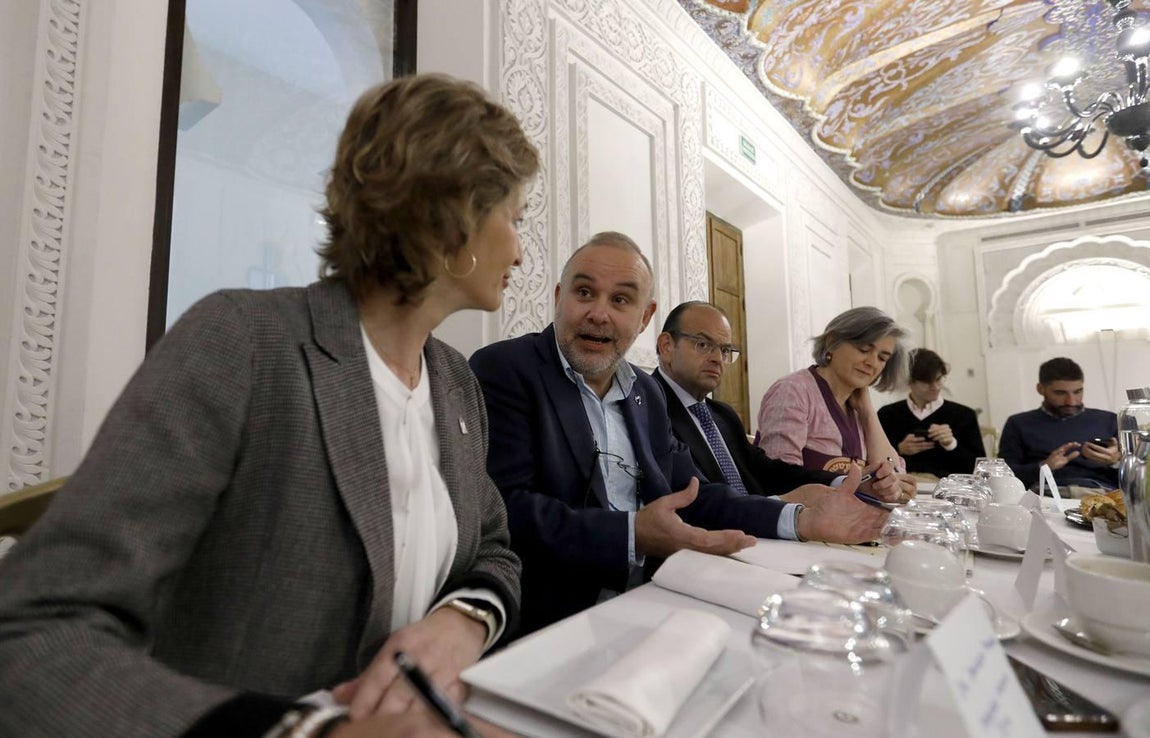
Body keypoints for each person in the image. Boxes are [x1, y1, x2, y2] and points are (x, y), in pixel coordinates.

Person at [0, 74, 536, 738]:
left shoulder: (455, 383)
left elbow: (495, 551)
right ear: (451, 216)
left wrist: (460, 622)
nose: (519, 247)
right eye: (513, 217)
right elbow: (29, 631)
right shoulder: (240, 344)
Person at [469, 233, 889, 635]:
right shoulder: (507, 369)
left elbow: (695, 492)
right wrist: (633, 534)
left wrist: (800, 519)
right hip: (558, 616)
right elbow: (506, 511)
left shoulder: (644, 391)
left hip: (663, 594)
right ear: (559, 298)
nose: (599, 313)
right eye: (584, 293)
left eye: (620, 300)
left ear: (645, 317)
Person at [653, 301, 907, 505]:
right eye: (703, 344)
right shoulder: (648, 409)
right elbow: (700, 498)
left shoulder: (721, 415)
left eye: (725, 350)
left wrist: (847, 482)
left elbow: (770, 471)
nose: (718, 358)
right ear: (666, 346)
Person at [756, 306, 906, 475]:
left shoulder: (859, 407)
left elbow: (894, 475)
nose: (872, 362)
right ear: (832, 342)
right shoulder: (793, 391)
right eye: (864, 349)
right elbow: (779, 477)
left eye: (882, 358)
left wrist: (868, 414)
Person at [999, 357, 1120, 494]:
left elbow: (1139, 474)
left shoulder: (1110, 420)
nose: (1071, 402)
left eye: (1078, 392)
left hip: (1102, 494)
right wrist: (1043, 467)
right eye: (1060, 393)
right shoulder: (1018, 424)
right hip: (1044, 494)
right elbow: (1004, 475)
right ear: (1040, 389)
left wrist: (1115, 462)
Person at [878, 348, 985, 477]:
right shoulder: (888, 414)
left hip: (948, 489)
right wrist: (899, 450)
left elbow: (979, 468)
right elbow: (874, 461)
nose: (935, 387)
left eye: (938, 379)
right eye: (926, 382)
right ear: (909, 381)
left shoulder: (964, 415)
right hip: (900, 486)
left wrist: (951, 444)